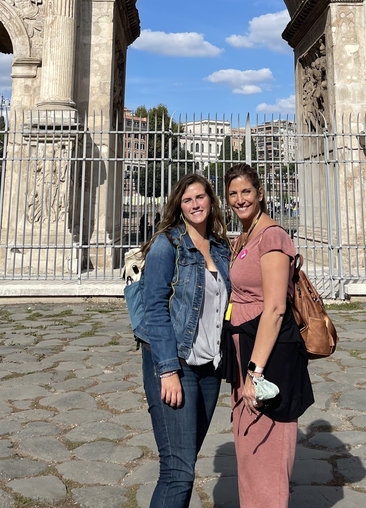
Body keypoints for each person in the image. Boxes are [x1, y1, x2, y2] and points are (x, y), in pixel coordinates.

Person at [133, 174, 231, 508]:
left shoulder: (220, 247)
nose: (195, 204)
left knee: (183, 465)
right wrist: (168, 370)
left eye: (200, 197)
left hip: (210, 369)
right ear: (179, 205)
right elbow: (154, 309)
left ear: (211, 200)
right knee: (178, 471)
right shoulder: (167, 245)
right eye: (188, 200)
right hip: (176, 364)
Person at [223, 163, 314, 508]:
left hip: (267, 362)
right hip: (244, 354)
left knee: (266, 455)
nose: (239, 199)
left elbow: (275, 308)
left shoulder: (273, 237)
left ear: (260, 193)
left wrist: (254, 373)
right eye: (233, 193)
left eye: (246, 191)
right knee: (249, 453)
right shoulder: (244, 236)